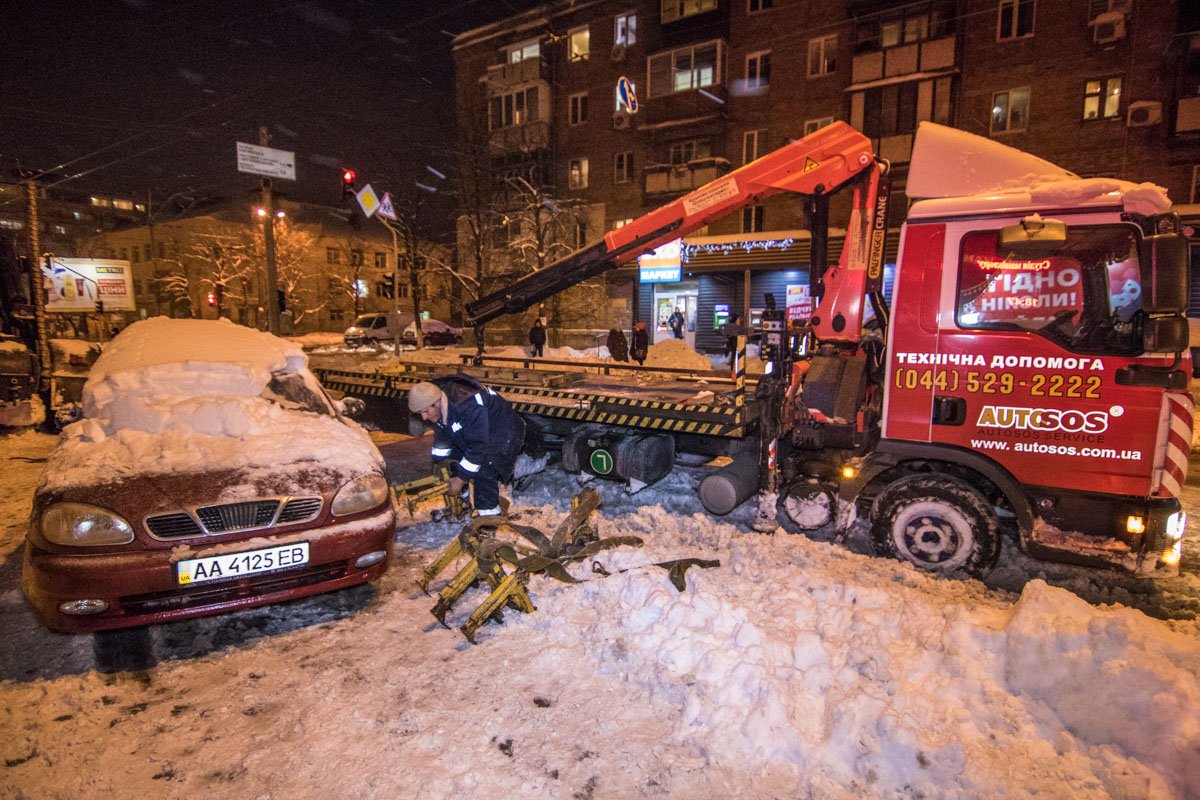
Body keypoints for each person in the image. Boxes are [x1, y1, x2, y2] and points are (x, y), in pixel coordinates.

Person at [408, 377, 525, 518]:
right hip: (478, 428)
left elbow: (478, 447)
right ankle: (463, 502)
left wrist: (460, 479)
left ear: (437, 403)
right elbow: (443, 434)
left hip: (504, 431)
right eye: (420, 413)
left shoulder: (467, 405)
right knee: (455, 459)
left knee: (483, 468)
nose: (424, 418)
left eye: (425, 412)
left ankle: (489, 519)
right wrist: (439, 462)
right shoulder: (437, 401)